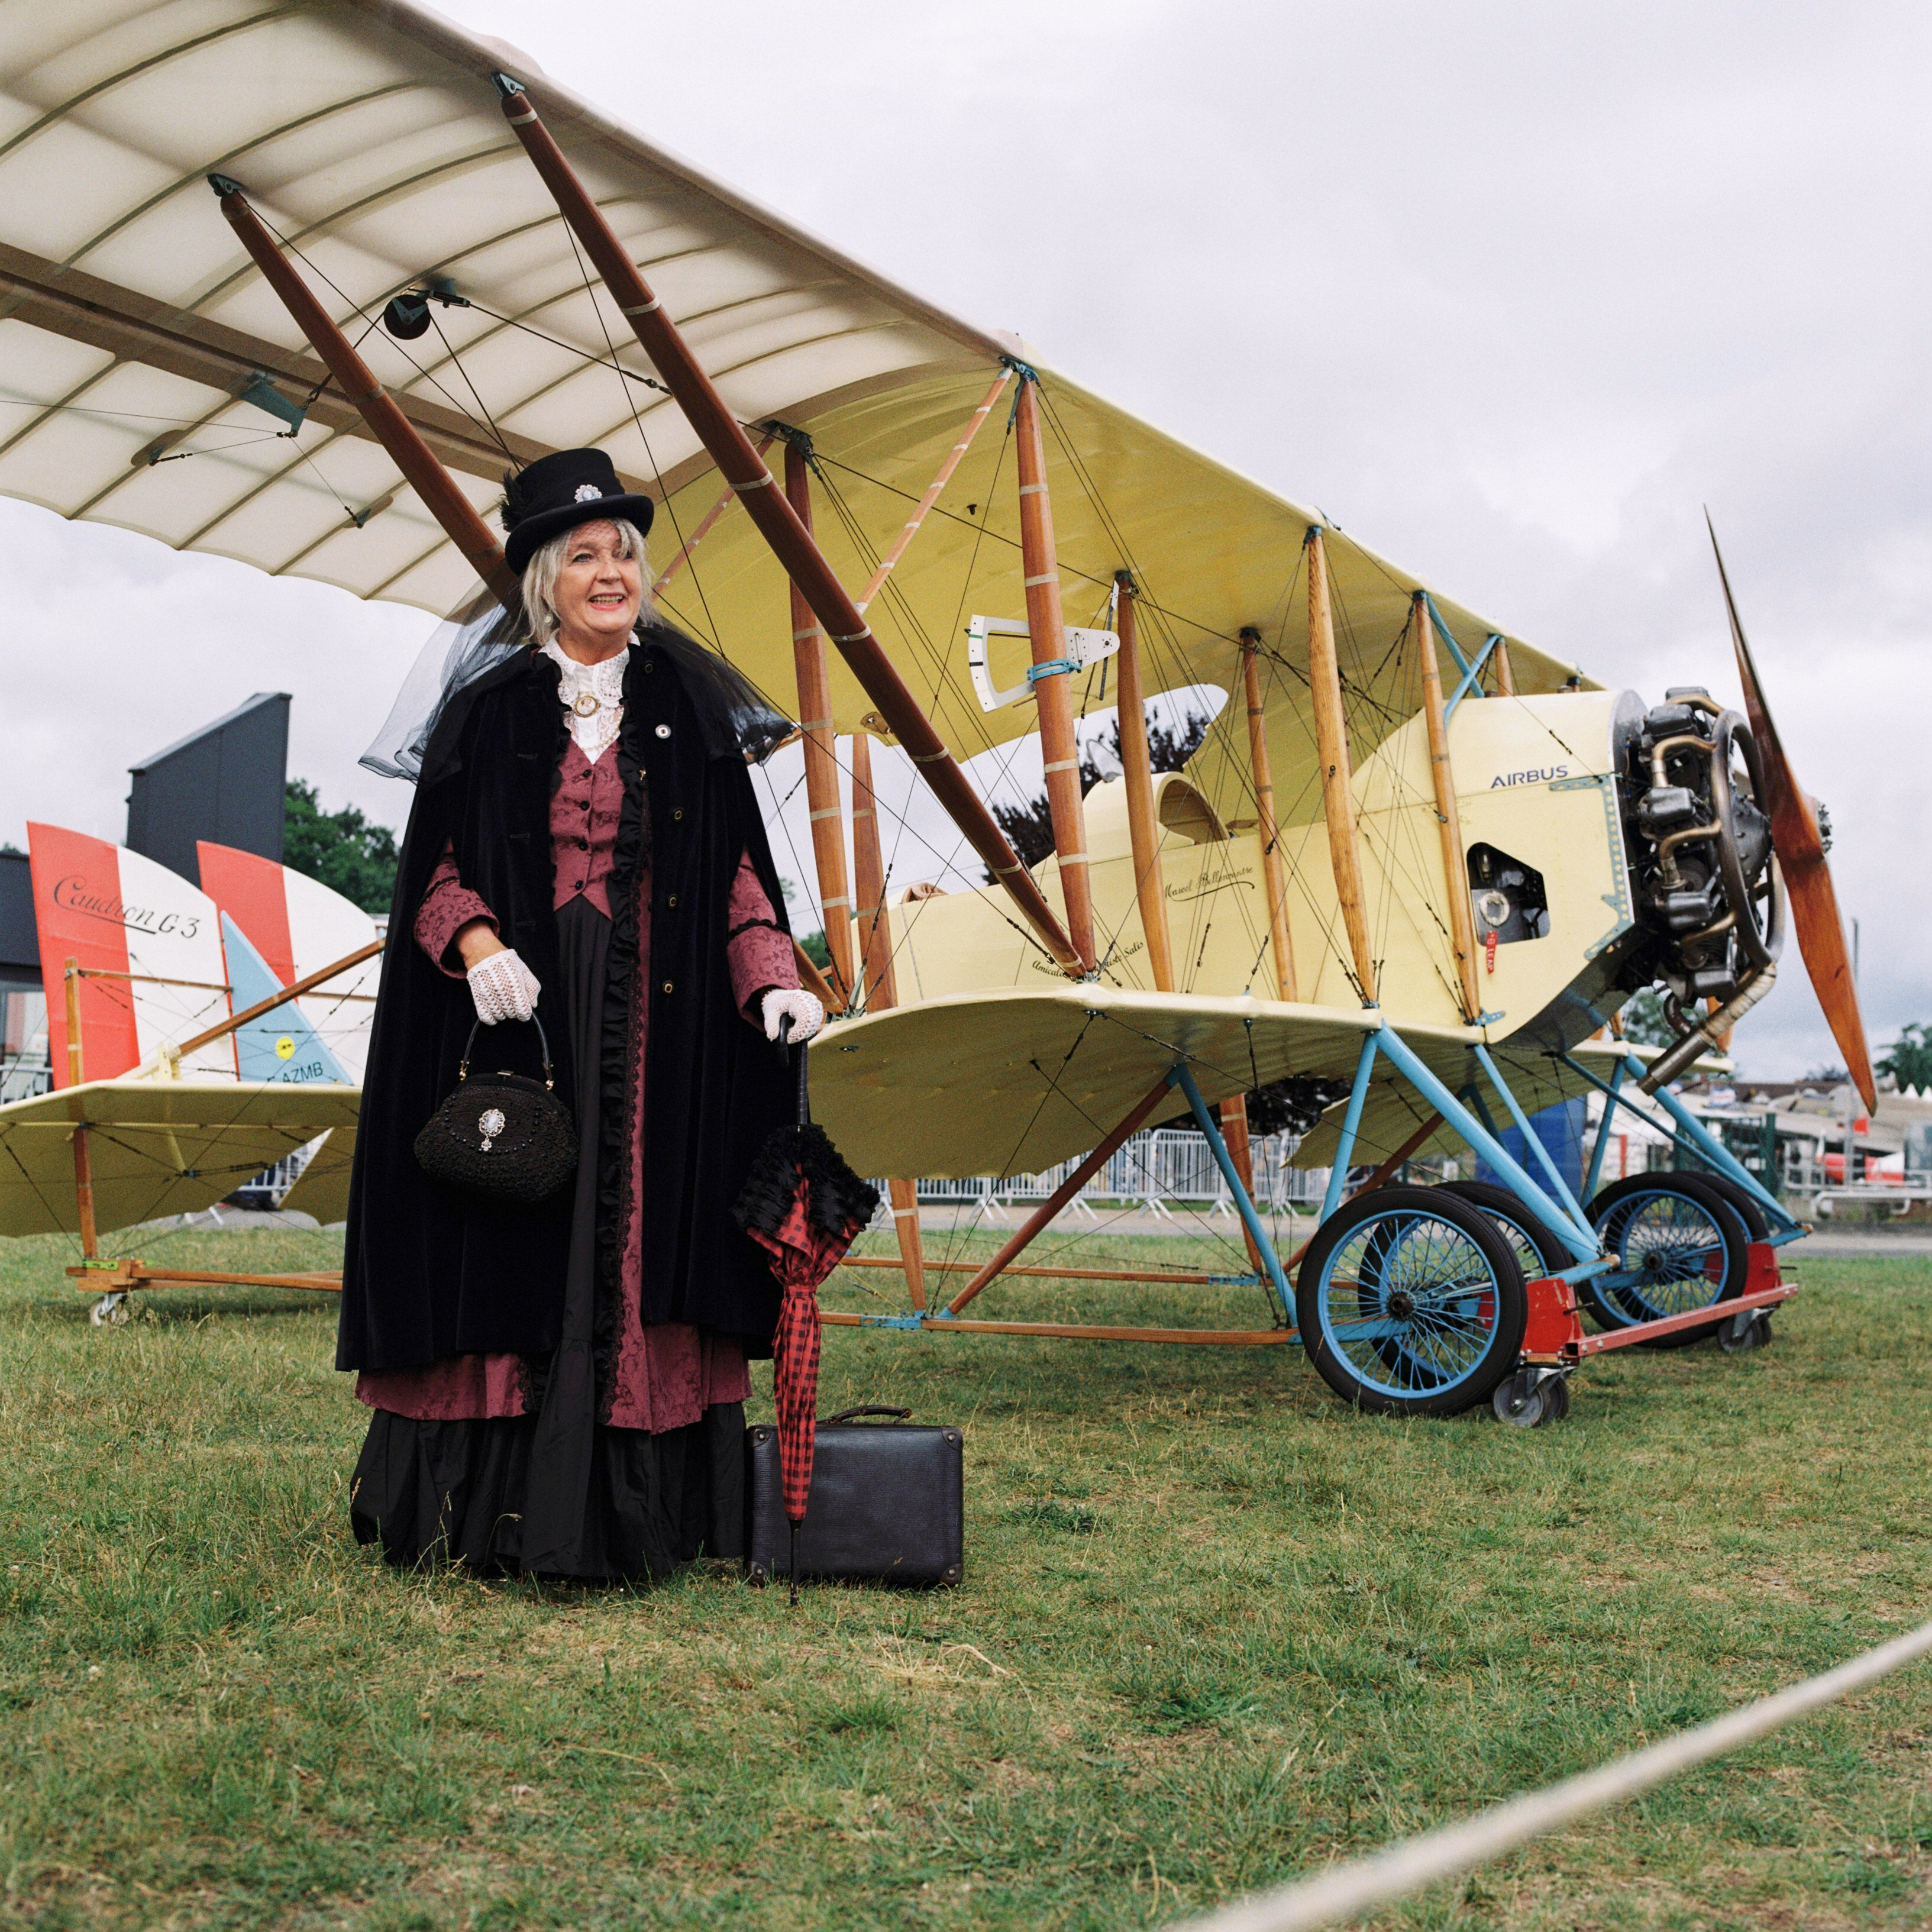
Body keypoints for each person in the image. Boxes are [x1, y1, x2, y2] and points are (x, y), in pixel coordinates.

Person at [337, 447, 823, 1581]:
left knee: (643, 1235)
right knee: (511, 1235)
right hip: (520, 1018)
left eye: (627, 555)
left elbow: (740, 874)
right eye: (588, 555)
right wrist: (478, 943)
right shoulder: (494, 708)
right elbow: (435, 866)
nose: (613, 573)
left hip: (663, 1029)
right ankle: (488, 1507)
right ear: (545, 578)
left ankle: (636, 1511)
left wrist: (771, 975)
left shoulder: (684, 699)